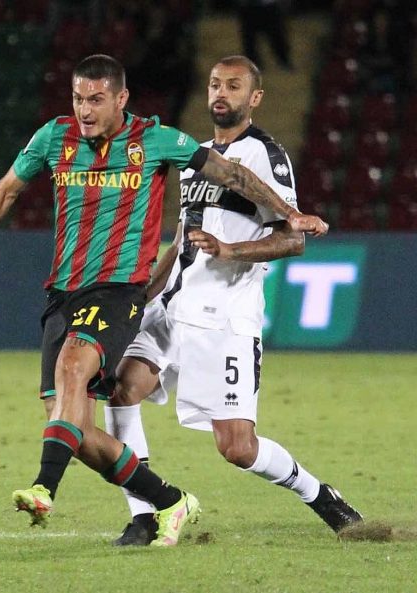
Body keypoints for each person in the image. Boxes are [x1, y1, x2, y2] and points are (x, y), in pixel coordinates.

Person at [0, 54, 329, 546]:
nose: (85, 110)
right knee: (79, 420)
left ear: (121, 99)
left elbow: (237, 179)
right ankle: (161, 504)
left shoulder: (164, 141)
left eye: (96, 99)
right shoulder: (55, 137)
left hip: (143, 296)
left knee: (84, 374)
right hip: (86, 293)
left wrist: (287, 214)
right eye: (78, 99)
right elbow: (8, 190)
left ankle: (45, 488)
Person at [104, 55, 363, 546]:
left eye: (233, 86)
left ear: (255, 97)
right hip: (172, 306)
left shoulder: (266, 155)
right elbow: (181, 238)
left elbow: (292, 240)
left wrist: (230, 250)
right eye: (214, 84)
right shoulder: (198, 154)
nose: (220, 93)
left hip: (224, 316)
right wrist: (143, 296)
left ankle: (319, 495)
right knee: (119, 388)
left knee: (238, 448)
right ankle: (145, 515)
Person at [236, 0, 294, 71]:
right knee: (249, 40)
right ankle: (253, 64)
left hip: (268, 6)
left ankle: (284, 61)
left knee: (277, 36)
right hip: (249, 7)